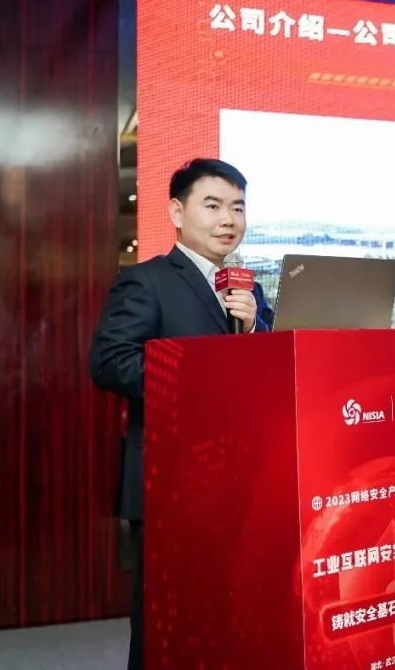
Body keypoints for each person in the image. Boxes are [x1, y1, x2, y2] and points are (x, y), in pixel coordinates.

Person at [89, 159, 273, 670]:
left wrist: (256, 331)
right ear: (176, 212)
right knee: (166, 630)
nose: (228, 219)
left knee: (231, 621)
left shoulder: (249, 291)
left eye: (238, 207)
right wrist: (198, 374)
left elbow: (266, 374)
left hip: (239, 483)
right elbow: (110, 363)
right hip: (168, 484)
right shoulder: (145, 281)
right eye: (212, 205)